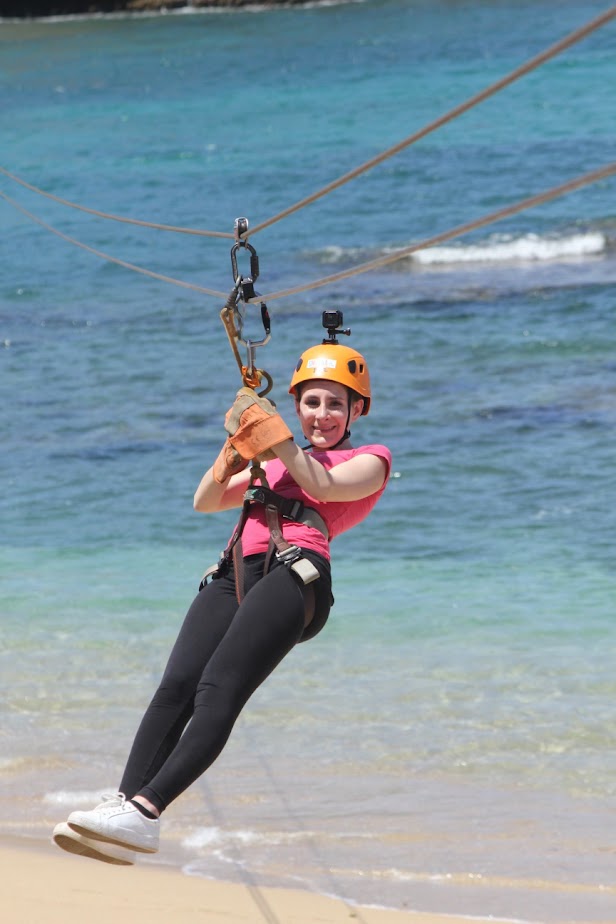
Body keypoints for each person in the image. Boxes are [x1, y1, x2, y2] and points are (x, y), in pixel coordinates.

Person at [52, 339, 392, 865]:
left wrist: (274, 436)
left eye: (334, 404)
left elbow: (320, 482)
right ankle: (122, 807)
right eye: (311, 402)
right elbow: (205, 500)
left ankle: (146, 810)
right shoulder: (277, 462)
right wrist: (235, 448)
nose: (321, 415)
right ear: (298, 405)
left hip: (295, 573)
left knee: (218, 687)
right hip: (235, 570)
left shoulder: (369, 460)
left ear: (356, 411)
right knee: (176, 686)